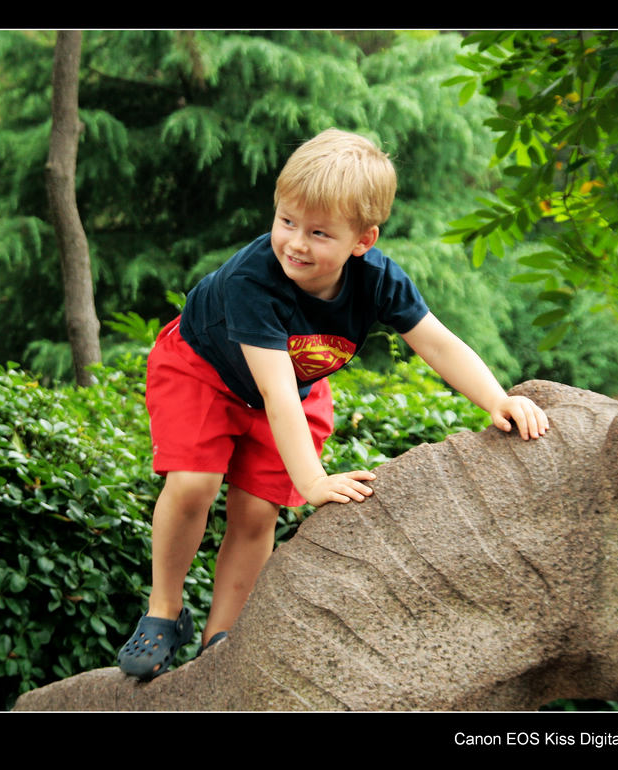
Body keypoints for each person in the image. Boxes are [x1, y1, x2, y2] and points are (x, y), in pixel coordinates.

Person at [116, 128, 549, 680]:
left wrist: (498, 399)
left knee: (257, 510)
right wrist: (315, 480)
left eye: (319, 232)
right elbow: (271, 392)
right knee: (195, 483)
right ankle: (163, 611)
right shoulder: (255, 279)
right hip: (204, 371)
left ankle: (220, 640)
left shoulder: (377, 280)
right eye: (287, 221)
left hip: (293, 388)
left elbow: (435, 341)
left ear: (362, 240)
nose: (296, 243)